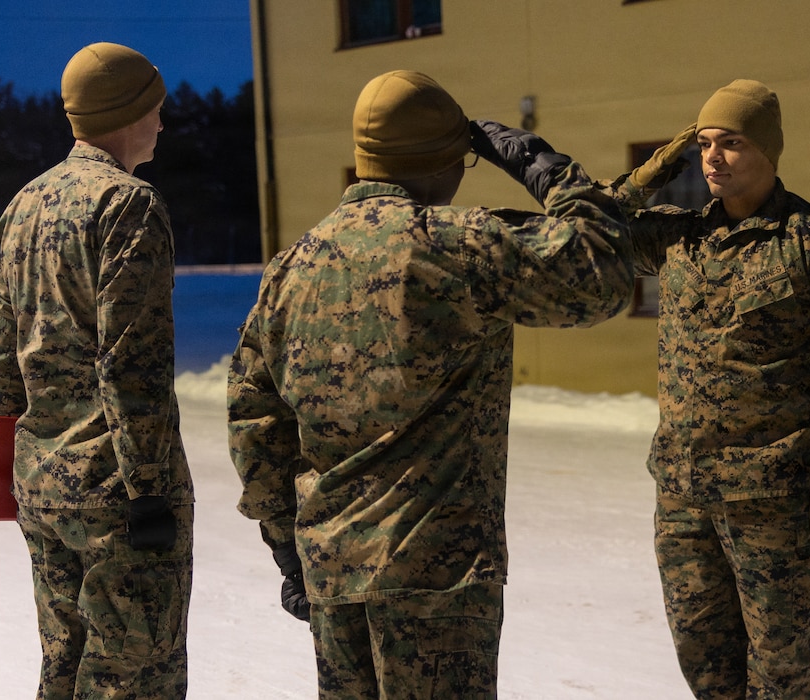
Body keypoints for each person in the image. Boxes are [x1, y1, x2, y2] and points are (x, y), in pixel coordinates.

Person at [226, 69, 635, 698]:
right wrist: (543, 168)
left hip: (331, 570)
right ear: (437, 161)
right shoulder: (454, 244)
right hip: (436, 575)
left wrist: (287, 547)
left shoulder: (291, 268)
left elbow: (254, 423)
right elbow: (600, 270)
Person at [602, 79, 810, 697]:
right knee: (704, 662)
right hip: (683, 494)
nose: (713, 157)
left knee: (779, 671)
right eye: (704, 143)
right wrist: (646, 176)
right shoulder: (679, 237)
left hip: (773, 497)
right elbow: (590, 227)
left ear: (768, 149)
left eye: (731, 142)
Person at [0, 43, 194, 698]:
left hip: (42, 484)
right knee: (136, 677)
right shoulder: (129, 205)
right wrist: (149, 487)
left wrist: (6, 475)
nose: (161, 122)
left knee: (64, 668)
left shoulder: (23, 204)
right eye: (154, 108)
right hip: (115, 492)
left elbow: (1, 362)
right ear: (128, 112)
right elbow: (134, 363)